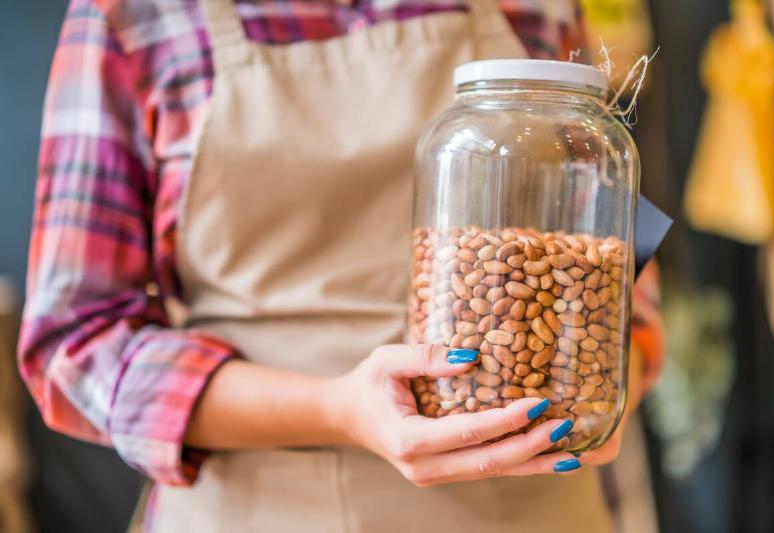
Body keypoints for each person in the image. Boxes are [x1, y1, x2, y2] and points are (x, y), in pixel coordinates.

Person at [18, 0, 663, 531]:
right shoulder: (139, 16)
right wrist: (337, 407)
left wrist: (600, 388)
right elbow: (77, 343)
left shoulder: (537, 9)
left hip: (533, 499)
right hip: (262, 506)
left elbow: (616, 264)